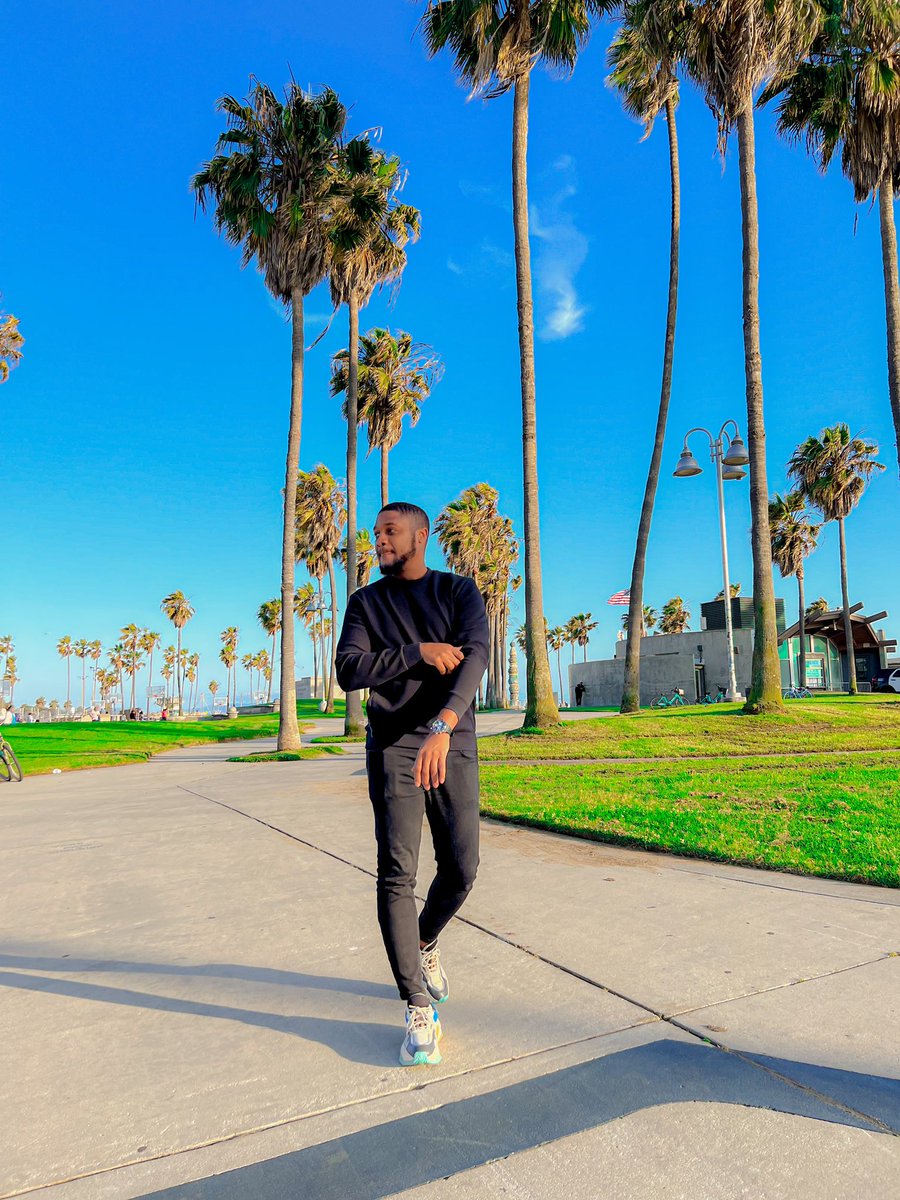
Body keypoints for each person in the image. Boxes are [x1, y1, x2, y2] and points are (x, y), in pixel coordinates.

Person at [336, 502, 489, 1068]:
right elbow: (349, 669)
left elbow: (475, 659)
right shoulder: (365, 603)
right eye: (376, 533)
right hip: (394, 745)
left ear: (420, 536)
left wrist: (445, 725)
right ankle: (416, 1005)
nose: (379, 540)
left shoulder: (458, 592)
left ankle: (424, 942)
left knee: (462, 867)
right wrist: (416, 653)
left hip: (452, 739)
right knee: (397, 872)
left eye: (390, 531)